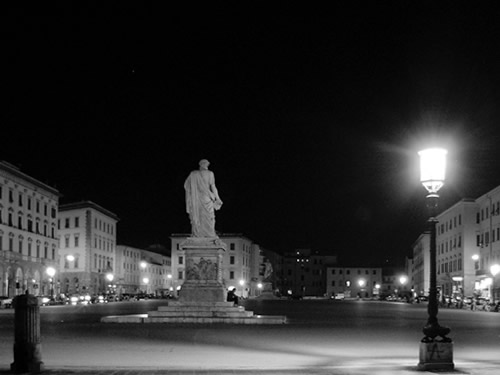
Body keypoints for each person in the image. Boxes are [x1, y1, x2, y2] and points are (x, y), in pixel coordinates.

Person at [184, 159, 223, 238]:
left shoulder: (195, 174)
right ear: (201, 165)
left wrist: (218, 198)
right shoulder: (195, 174)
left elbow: (186, 186)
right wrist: (218, 198)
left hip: (201, 197)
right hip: (200, 198)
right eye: (205, 164)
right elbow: (213, 187)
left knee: (206, 216)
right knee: (206, 216)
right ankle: (204, 234)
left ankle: (204, 234)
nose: (206, 165)